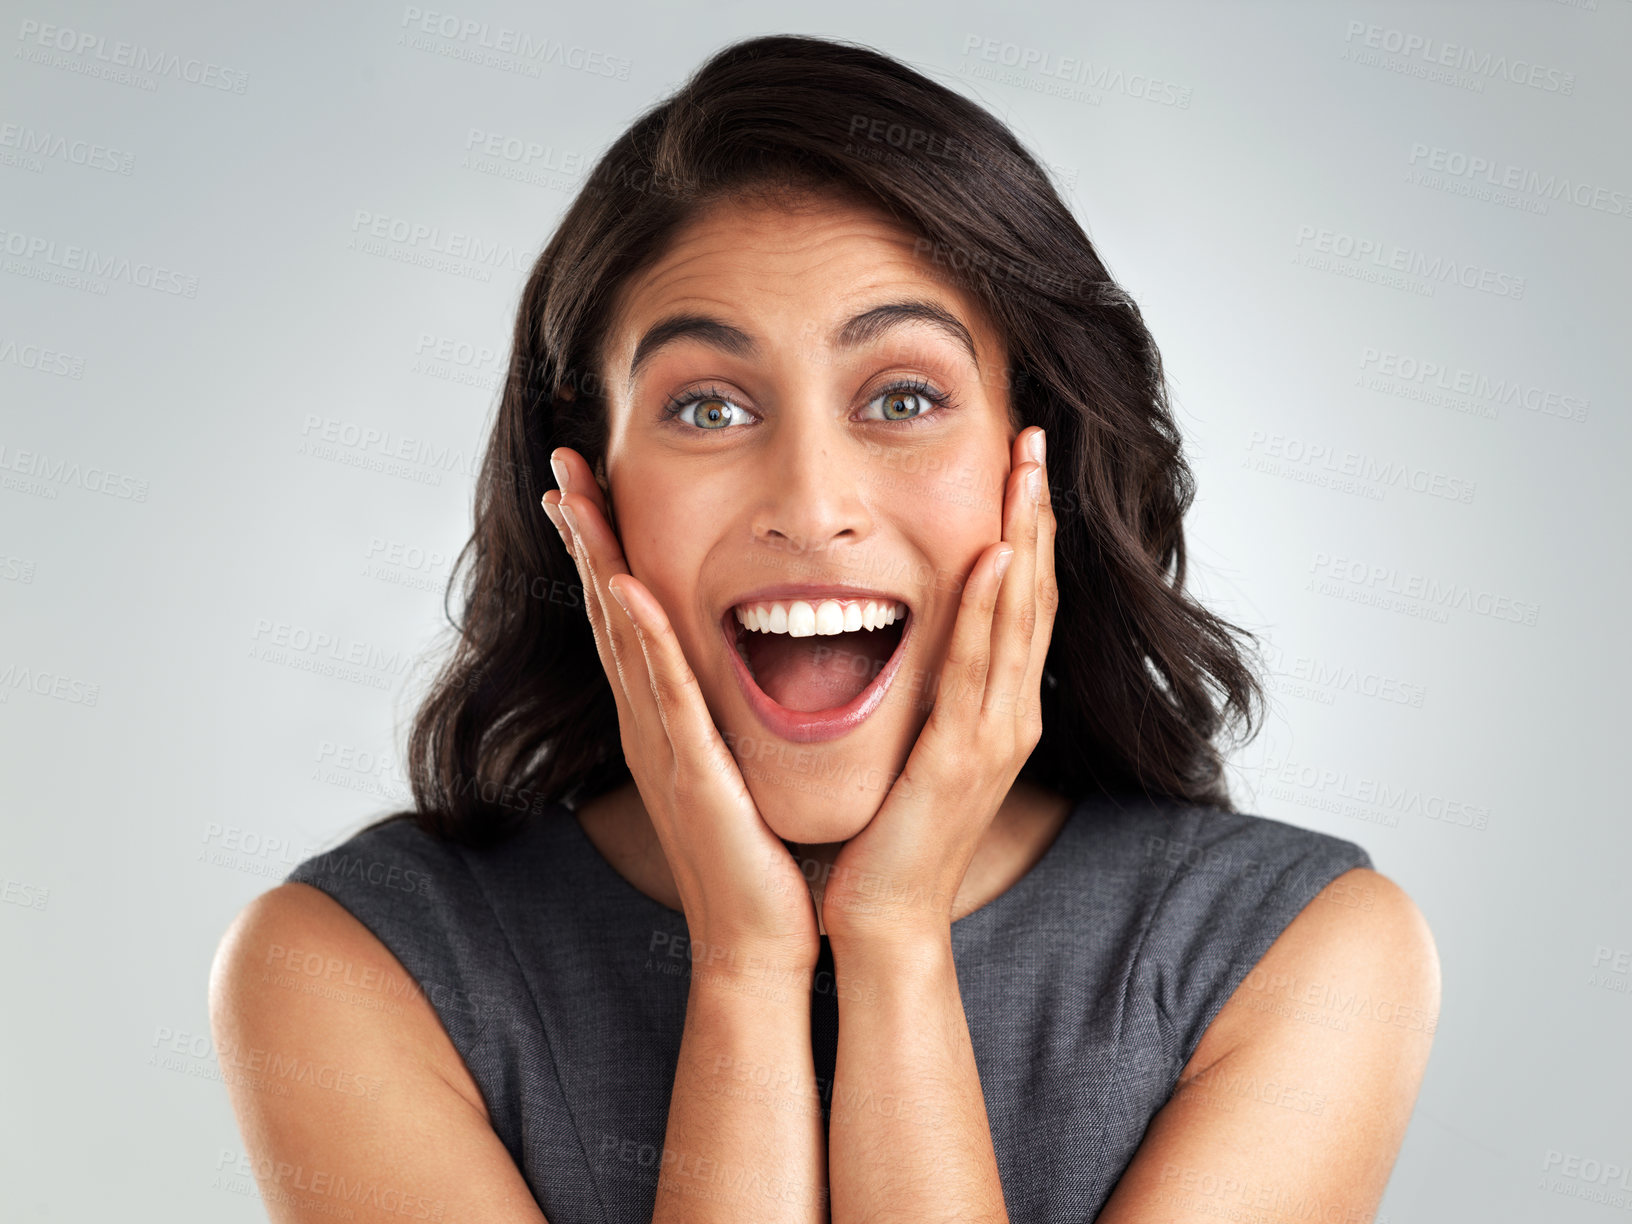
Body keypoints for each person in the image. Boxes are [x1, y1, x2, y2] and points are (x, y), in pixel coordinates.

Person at [209, 33, 1439, 1224]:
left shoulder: (1302, 956)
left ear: (1045, 468)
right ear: (589, 487)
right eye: (707, 405)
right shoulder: (353, 968)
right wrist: (743, 969)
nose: (810, 506)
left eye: (903, 396)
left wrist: (896, 942)